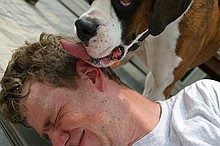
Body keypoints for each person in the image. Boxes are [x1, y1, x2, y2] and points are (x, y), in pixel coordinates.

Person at [0, 33, 220, 146]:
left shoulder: (204, 100)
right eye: (48, 138)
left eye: (57, 119)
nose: (59, 143)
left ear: (90, 76)